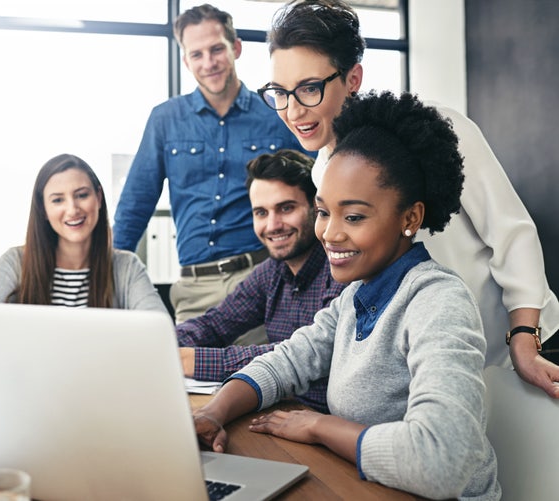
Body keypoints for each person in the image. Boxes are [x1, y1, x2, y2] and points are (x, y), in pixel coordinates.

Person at [194, 91, 501, 500]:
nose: (330, 233)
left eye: (353, 216)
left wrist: (320, 427)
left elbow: (441, 462)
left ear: (410, 218)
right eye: (324, 212)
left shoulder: (438, 300)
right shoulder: (355, 296)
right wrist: (213, 412)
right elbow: (286, 360)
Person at [258, 0, 559, 396]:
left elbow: (512, 235)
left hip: (521, 346)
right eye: (280, 92)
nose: (293, 110)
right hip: (444, 363)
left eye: (310, 88)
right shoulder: (322, 170)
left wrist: (523, 339)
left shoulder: (438, 129)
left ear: (353, 79)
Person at [113, 4, 305, 340]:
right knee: (184, 385)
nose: (208, 62)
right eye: (196, 54)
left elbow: (315, 190)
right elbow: (135, 206)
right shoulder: (165, 120)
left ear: (237, 48)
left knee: (258, 386)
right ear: (186, 61)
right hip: (193, 288)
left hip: (262, 279)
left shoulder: (277, 113)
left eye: (217, 49)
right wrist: (107, 278)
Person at [178, 149, 345, 412]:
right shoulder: (272, 271)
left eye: (286, 208)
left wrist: (192, 360)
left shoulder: (340, 267)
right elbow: (215, 324)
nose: (273, 225)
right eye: (261, 213)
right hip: (283, 413)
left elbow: (300, 354)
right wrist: (164, 346)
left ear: (317, 207)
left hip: (326, 421)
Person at [0, 153, 168, 313]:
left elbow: (161, 335)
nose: (72, 209)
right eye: (58, 200)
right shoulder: (15, 262)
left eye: (82, 195)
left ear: (99, 198)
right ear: (43, 209)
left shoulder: (126, 267)